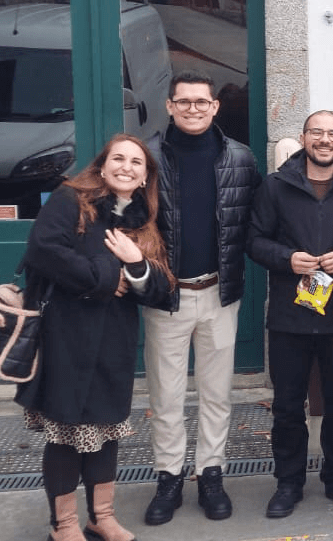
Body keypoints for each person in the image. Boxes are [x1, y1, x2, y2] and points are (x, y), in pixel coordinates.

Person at [15, 134, 175, 541]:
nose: (127, 166)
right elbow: (43, 250)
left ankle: (101, 516)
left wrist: (136, 264)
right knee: (66, 431)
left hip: (114, 341)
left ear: (145, 177)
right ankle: (63, 524)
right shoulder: (70, 200)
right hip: (65, 335)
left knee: (105, 430)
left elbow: (162, 288)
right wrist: (108, 276)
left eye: (136, 163)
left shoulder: (144, 219)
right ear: (102, 167)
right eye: (118, 159)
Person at [142, 70, 260, 525]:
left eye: (202, 102)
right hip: (167, 296)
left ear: (216, 107)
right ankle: (168, 477)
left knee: (216, 394)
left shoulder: (241, 159)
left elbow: (258, 221)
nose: (193, 108)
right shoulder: (147, 157)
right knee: (167, 396)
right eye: (184, 101)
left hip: (219, 293)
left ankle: (211, 473)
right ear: (169, 106)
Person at [247, 110, 333, 518]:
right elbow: (254, 241)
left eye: (332, 134)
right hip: (290, 315)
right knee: (287, 405)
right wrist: (288, 259)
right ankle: (288, 482)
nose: (324, 140)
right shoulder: (276, 186)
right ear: (303, 137)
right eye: (316, 132)